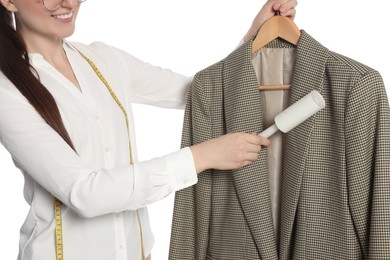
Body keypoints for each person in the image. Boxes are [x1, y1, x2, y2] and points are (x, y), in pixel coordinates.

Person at [0, 0, 297, 259]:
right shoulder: (7, 92)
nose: (67, 3)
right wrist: (201, 157)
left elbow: (200, 93)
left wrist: (252, 38)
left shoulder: (103, 59)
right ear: (9, 1)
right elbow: (85, 193)